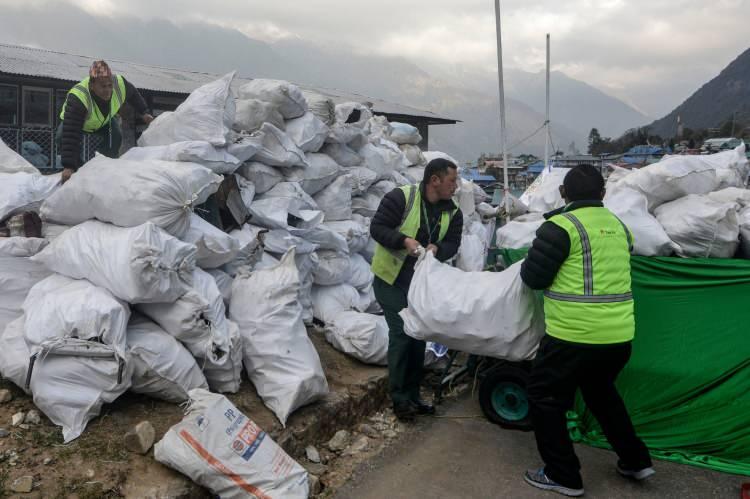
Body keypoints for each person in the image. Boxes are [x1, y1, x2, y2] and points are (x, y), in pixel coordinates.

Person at [520, 164, 653, 497]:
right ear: (603, 194)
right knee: (601, 394)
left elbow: (534, 278)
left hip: (573, 336)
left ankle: (563, 475)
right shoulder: (620, 227)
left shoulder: (560, 227)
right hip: (619, 338)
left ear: (563, 194)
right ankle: (636, 460)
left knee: (544, 398)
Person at [370, 158, 463, 421]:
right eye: (451, 181)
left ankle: (413, 395)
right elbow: (377, 228)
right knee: (402, 333)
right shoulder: (402, 198)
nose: (455, 186)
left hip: (421, 285)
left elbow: (453, 243)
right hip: (391, 280)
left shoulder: (453, 212)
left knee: (418, 336)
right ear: (435, 180)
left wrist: (438, 249)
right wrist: (404, 241)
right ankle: (400, 400)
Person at [56, 60, 154, 183]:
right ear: (92, 85)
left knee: (116, 136)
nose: (108, 90)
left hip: (104, 121)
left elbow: (134, 95)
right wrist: (69, 167)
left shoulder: (119, 84)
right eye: (103, 86)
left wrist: (144, 112)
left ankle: (105, 169)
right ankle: (79, 170)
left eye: (109, 85)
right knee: (61, 137)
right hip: (78, 123)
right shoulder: (79, 97)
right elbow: (71, 133)